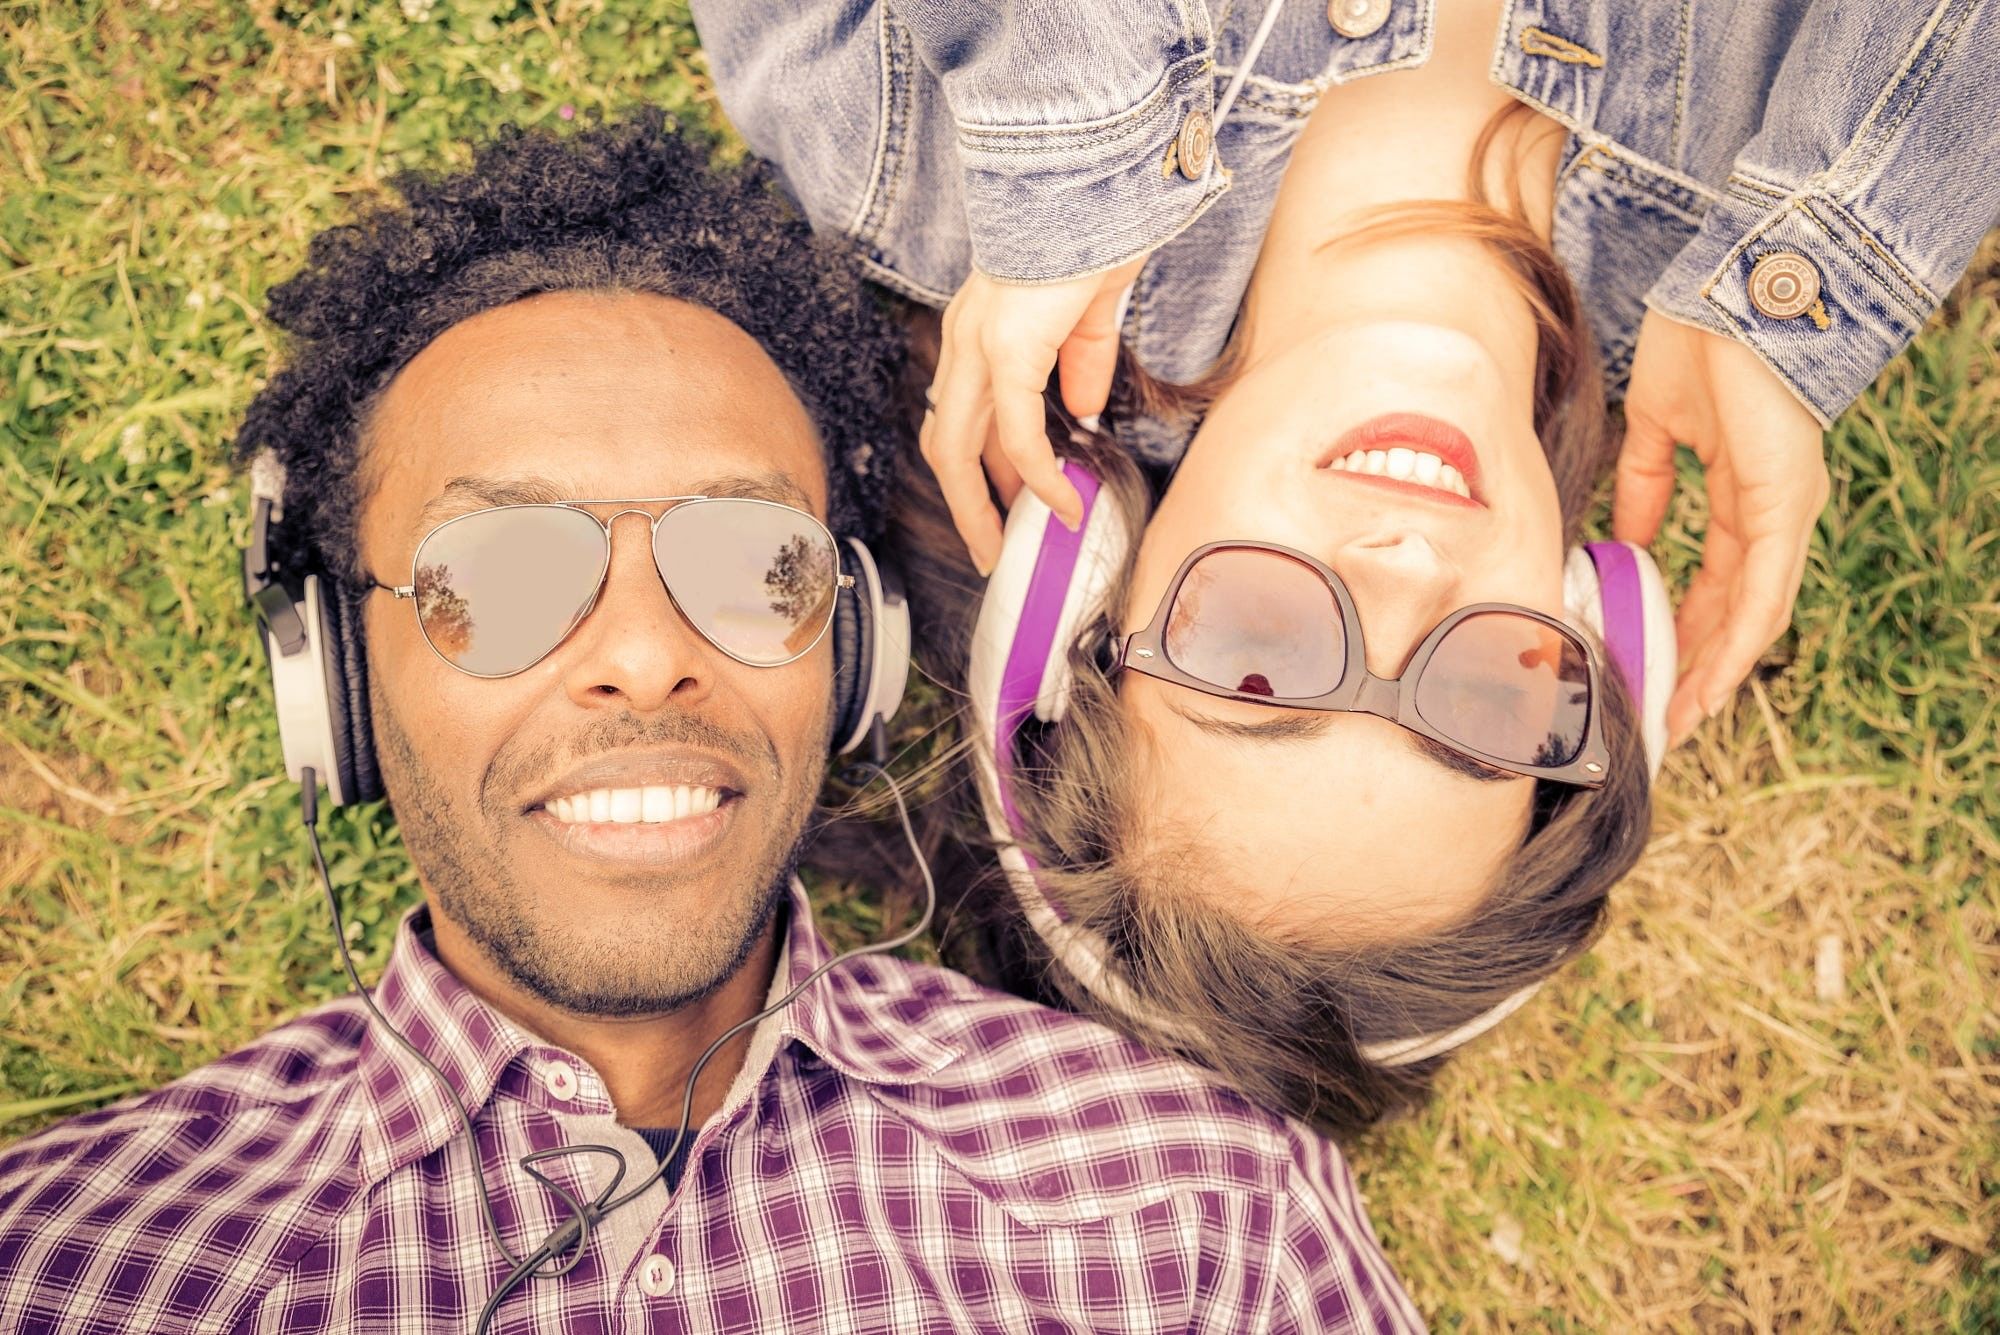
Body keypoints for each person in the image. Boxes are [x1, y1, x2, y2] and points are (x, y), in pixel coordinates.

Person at [0, 114, 1426, 1334]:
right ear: (338, 680)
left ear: (851, 645)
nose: (639, 655)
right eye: (494, 575)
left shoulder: (1199, 1215)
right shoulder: (66, 1270)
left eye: (756, 564)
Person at [693, 0, 2000, 1129]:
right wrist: (1834, 255)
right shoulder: (1790, 186)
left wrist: (1067, 143)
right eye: (1489, 699)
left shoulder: (893, 149)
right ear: (1586, 643)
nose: (1405, 566)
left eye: (1261, 655)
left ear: (1095, 592)